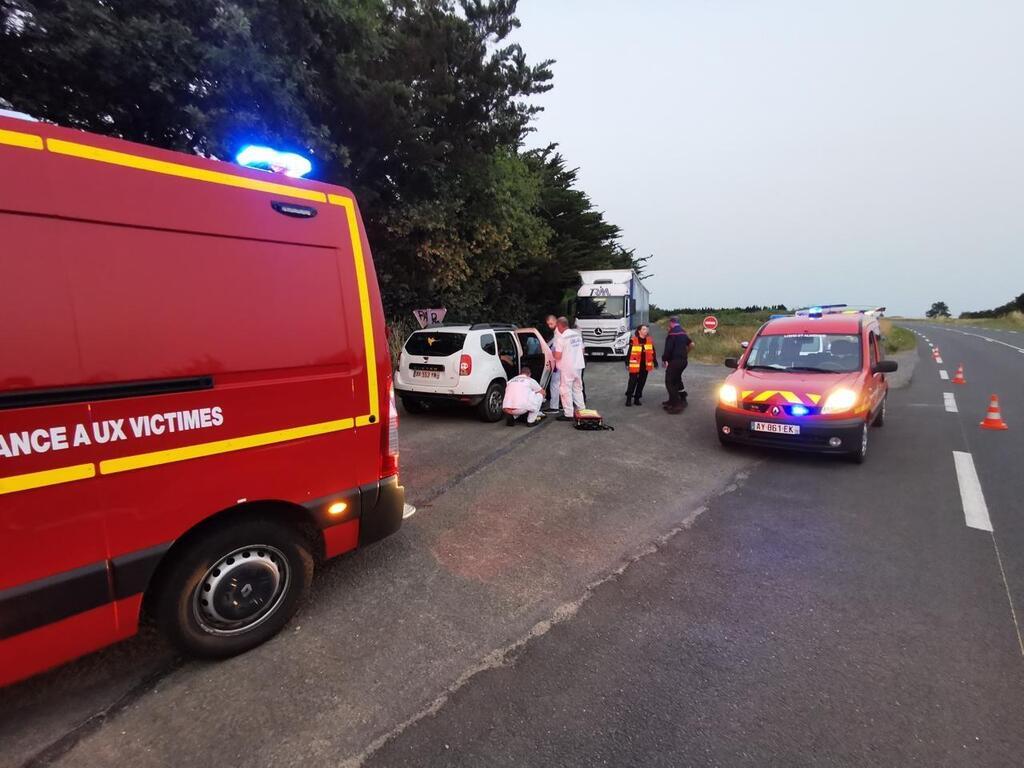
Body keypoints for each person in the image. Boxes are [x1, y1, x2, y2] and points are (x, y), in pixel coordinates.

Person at [553, 316, 586, 421]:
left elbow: (558, 356)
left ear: (559, 326)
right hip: (578, 366)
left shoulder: (561, 338)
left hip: (567, 367)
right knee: (578, 389)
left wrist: (552, 354)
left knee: (565, 390)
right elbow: (582, 350)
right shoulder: (577, 335)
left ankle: (568, 414)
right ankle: (582, 410)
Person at [661, 316, 694, 414]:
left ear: (671, 323)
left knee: (669, 381)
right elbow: (692, 344)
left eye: (669, 324)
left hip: (675, 361)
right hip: (683, 361)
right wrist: (685, 353)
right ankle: (678, 399)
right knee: (677, 379)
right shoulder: (683, 332)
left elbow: (668, 349)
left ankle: (676, 405)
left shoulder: (672, 333)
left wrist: (664, 359)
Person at [624, 324, 657, 407]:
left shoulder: (649, 340)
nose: (646, 331)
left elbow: (653, 352)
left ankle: (637, 398)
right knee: (632, 382)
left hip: (645, 365)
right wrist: (627, 363)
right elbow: (629, 352)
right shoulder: (633, 340)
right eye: (644, 329)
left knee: (641, 382)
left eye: (647, 329)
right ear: (639, 331)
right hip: (635, 365)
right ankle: (628, 398)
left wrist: (655, 361)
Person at [543, 314, 562, 413]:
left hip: (558, 362)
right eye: (548, 324)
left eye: (551, 323)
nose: (550, 326)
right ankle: (562, 404)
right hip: (565, 363)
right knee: (562, 385)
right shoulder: (560, 332)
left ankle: (554, 407)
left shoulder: (558, 333)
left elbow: (555, 348)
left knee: (554, 384)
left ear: (556, 321)